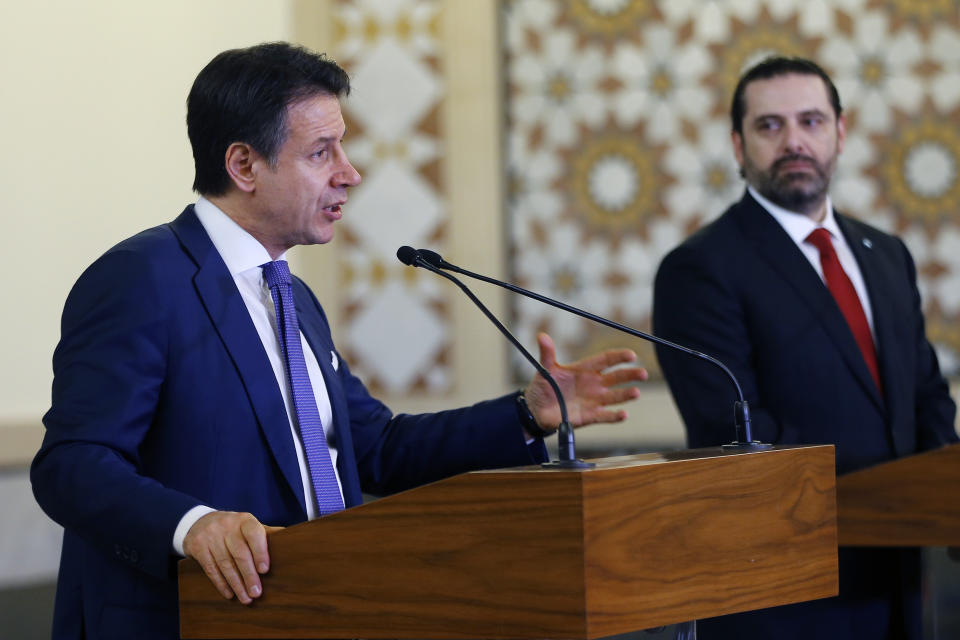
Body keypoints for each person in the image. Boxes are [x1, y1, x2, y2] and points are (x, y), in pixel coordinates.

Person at [31, 42, 647, 640]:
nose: (349, 173)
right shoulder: (143, 279)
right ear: (243, 165)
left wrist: (527, 414)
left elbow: (376, 448)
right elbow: (72, 465)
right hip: (189, 619)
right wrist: (191, 526)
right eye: (321, 152)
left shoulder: (293, 299)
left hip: (321, 609)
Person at [653, 56, 959, 640]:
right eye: (770, 126)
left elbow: (925, 394)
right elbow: (735, 432)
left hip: (900, 586)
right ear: (737, 144)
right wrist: (883, 505)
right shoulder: (700, 268)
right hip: (784, 595)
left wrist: (944, 490)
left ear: (840, 133)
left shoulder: (886, 253)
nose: (794, 141)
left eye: (811, 121)